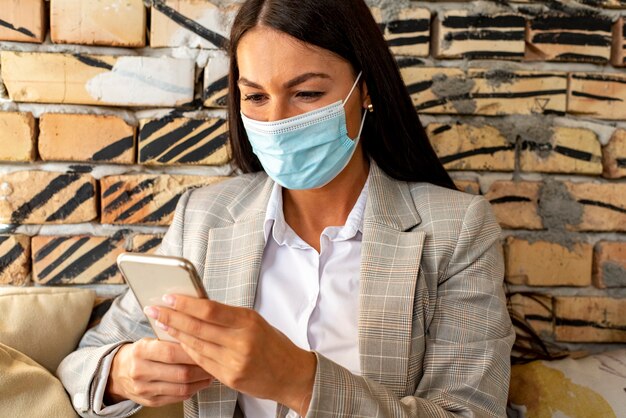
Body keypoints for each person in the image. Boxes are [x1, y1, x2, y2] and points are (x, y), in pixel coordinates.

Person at [57, 0, 515, 417]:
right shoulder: (204, 218)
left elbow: (471, 412)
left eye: (307, 94)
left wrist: (299, 380)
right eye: (256, 97)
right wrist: (120, 374)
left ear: (366, 90)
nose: (277, 122)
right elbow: (84, 361)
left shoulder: (457, 230)